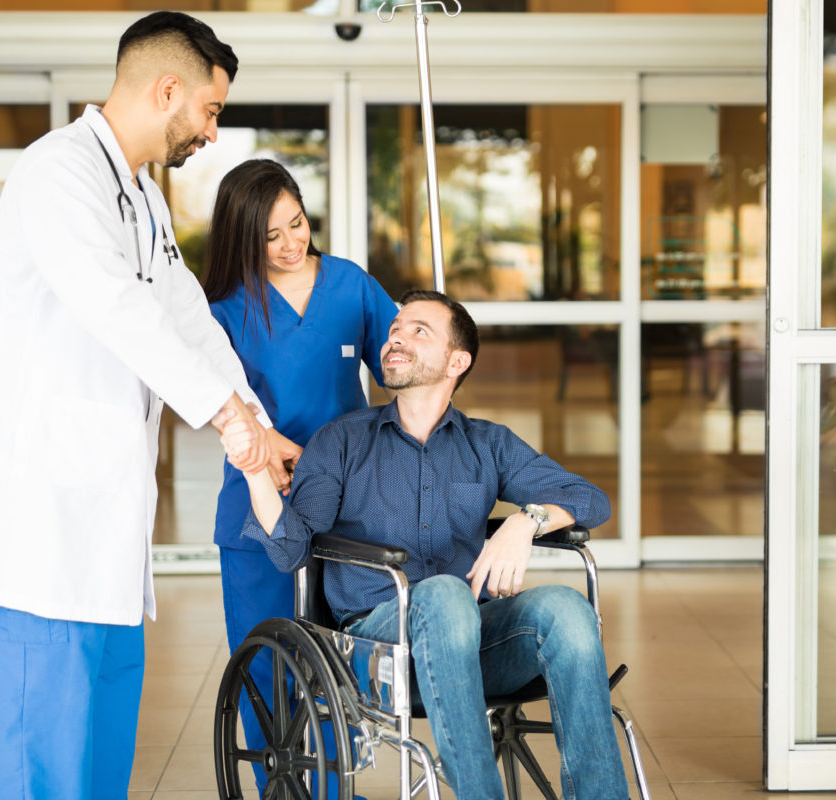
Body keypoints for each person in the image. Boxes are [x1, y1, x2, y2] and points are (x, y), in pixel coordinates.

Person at [0, 12, 282, 799]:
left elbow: (185, 316)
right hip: (39, 537)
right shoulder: (56, 173)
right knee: (41, 775)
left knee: (98, 770)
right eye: (210, 110)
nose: (212, 133)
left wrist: (258, 427)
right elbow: (117, 308)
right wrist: (229, 423)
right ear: (168, 89)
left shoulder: (145, 200)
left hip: (105, 544)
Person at [223, 289, 630, 800]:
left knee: (567, 610)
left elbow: (589, 498)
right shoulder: (343, 440)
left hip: (472, 643)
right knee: (442, 593)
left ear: (456, 362)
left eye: (419, 331)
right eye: (396, 328)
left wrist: (526, 521)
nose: (396, 337)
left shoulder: (488, 443)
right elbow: (290, 550)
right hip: (374, 653)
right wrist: (256, 473)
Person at [202, 158, 396, 796]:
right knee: (267, 669)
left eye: (298, 224)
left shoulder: (349, 287)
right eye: (272, 236)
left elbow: (396, 363)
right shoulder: (224, 312)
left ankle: (335, 789)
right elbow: (214, 407)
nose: (292, 245)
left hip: (347, 511)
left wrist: (430, 352)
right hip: (258, 511)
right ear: (242, 237)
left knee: (340, 670)